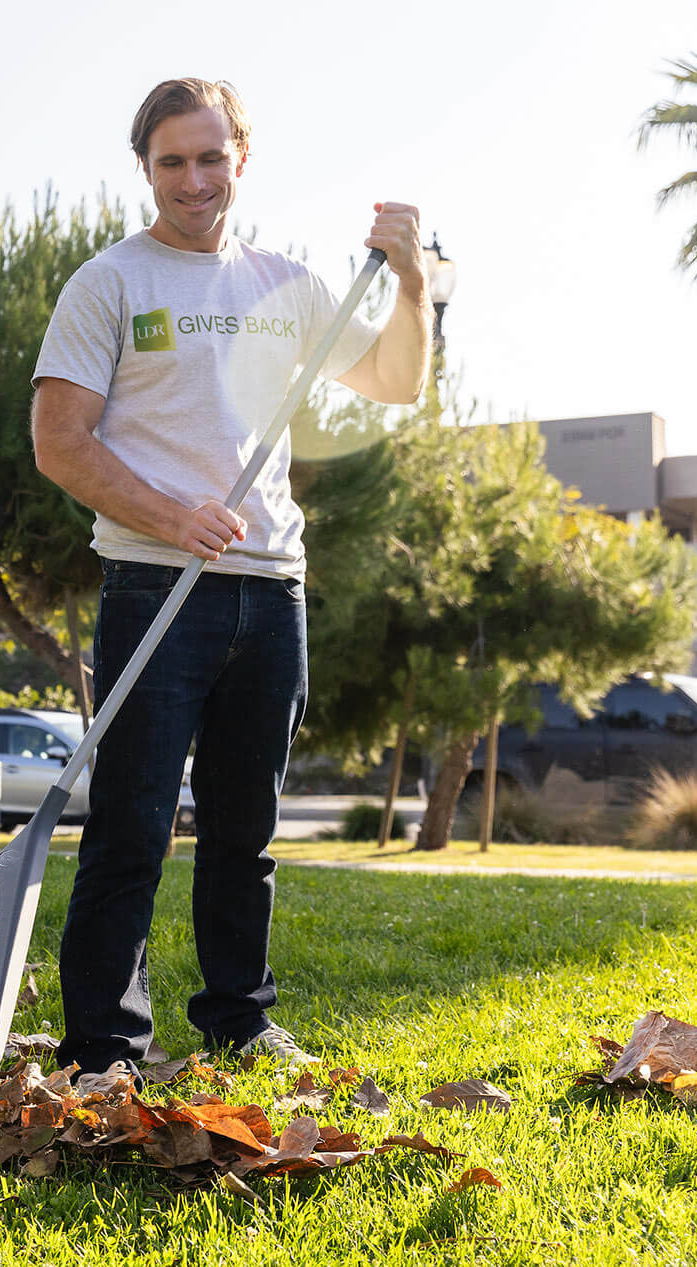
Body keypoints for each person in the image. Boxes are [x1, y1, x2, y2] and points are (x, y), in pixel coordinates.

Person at [30, 78, 430, 1081]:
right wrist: (169, 515)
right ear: (146, 169)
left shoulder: (285, 287)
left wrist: (410, 284)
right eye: (172, 161)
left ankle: (238, 1016)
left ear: (239, 159)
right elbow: (57, 443)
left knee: (244, 829)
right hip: (153, 586)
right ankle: (106, 1047)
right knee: (130, 827)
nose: (193, 180)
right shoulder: (108, 284)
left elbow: (393, 382)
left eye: (210, 158)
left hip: (272, 588)